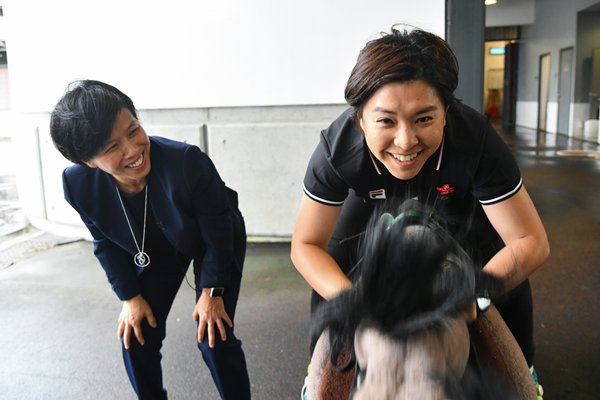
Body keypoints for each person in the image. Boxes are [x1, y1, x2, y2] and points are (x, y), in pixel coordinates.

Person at [291, 26, 549, 394]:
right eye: (386, 121)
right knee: (333, 272)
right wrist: (354, 301)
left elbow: (530, 241)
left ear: (446, 112)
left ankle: (526, 367)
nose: (405, 141)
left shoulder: (474, 139)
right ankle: (316, 382)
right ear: (360, 119)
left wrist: (472, 293)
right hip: (370, 203)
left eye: (424, 118)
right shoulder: (338, 149)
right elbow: (306, 245)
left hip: (456, 204)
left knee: (505, 284)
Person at [49, 80, 251, 399]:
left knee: (214, 335)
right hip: (155, 248)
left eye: (133, 131)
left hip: (213, 237)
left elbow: (219, 232)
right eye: (112, 147)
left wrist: (212, 292)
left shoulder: (187, 161)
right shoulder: (78, 184)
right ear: (88, 160)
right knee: (136, 335)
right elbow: (104, 243)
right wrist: (130, 296)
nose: (133, 150)